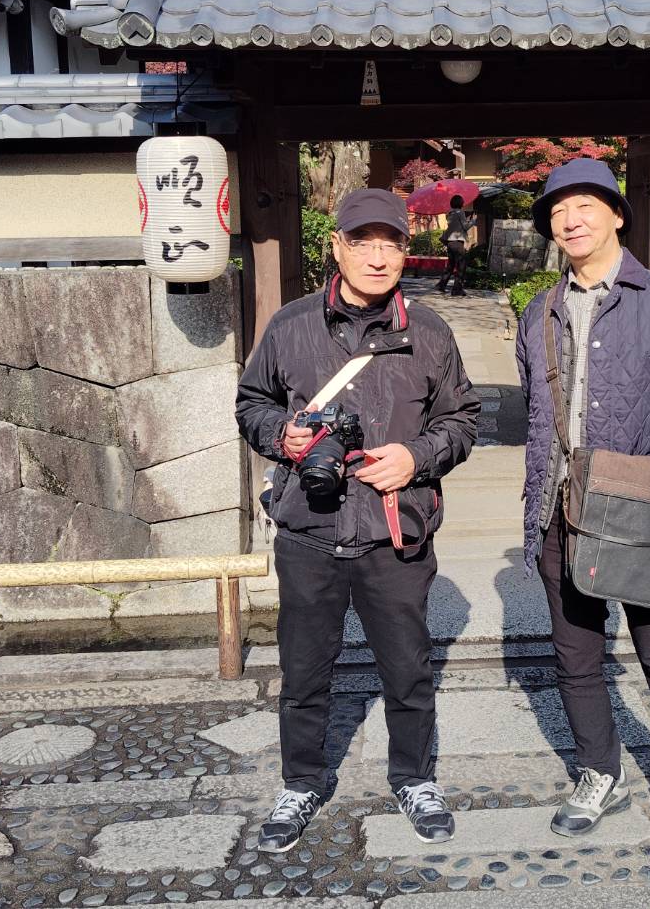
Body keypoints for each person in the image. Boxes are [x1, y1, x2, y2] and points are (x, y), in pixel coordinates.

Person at [235, 187, 480, 852]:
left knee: (408, 668)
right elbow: (251, 402)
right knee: (304, 671)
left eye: (390, 243)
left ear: (406, 250)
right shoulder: (290, 326)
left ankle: (415, 778)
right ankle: (301, 782)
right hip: (310, 530)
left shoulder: (429, 333)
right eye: (362, 242)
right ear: (336, 247)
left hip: (394, 531)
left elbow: (462, 419)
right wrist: (281, 435)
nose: (377, 257)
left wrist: (416, 457)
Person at [513, 158, 650, 859]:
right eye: (557, 211)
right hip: (556, 510)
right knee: (575, 657)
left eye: (585, 206)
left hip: (639, 512)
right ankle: (600, 772)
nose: (570, 220)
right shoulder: (537, 312)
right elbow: (537, 411)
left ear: (616, 215)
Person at [435, 193, 473, 297]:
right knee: (461, 266)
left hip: (450, 242)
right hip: (457, 242)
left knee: (451, 265)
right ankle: (457, 289)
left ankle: (441, 285)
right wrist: (473, 221)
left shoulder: (449, 213)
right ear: (460, 203)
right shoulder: (460, 212)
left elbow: (456, 226)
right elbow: (465, 227)